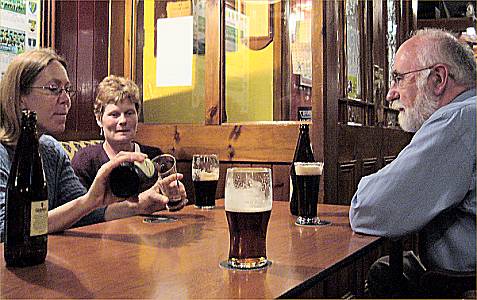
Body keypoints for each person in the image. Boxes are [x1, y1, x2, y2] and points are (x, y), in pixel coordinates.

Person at [0, 48, 186, 241]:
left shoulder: (51, 150)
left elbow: (86, 214)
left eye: (67, 90)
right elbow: (4, 229)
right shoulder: (3, 153)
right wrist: (88, 202)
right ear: (21, 97)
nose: (66, 100)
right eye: (53, 89)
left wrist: (142, 204)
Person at [349, 28, 476, 297]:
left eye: (398, 79)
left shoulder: (457, 119)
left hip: (463, 287)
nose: (390, 94)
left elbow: (370, 208)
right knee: (388, 270)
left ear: (438, 79)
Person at [71, 75, 186, 217]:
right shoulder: (85, 161)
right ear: (99, 119)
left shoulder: (154, 156)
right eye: (114, 114)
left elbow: (165, 206)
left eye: (129, 113)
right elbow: (78, 216)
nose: (123, 120)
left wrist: (175, 198)